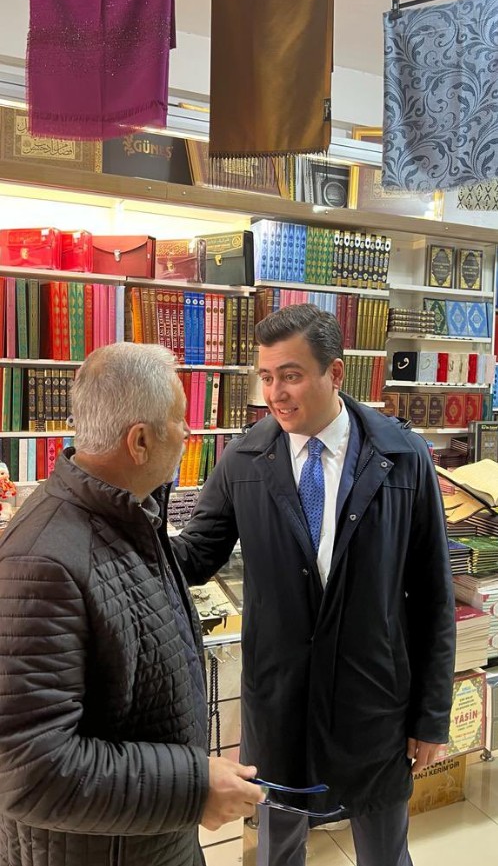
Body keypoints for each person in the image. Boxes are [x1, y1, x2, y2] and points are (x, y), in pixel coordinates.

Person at [172, 304, 456, 866]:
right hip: (280, 701)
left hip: (374, 699)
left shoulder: (402, 456)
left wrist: (431, 716)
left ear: (336, 373)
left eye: (292, 375)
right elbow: (194, 558)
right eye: (268, 376)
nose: (275, 392)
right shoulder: (244, 457)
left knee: (384, 851)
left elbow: (431, 593)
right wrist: (125, 512)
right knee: (279, 849)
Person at [0, 342, 264, 866]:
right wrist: (193, 787)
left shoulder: (128, 516)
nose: (189, 434)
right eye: (179, 420)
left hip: (147, 838)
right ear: (140, 441)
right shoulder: (43, 562)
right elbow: (29, 772)